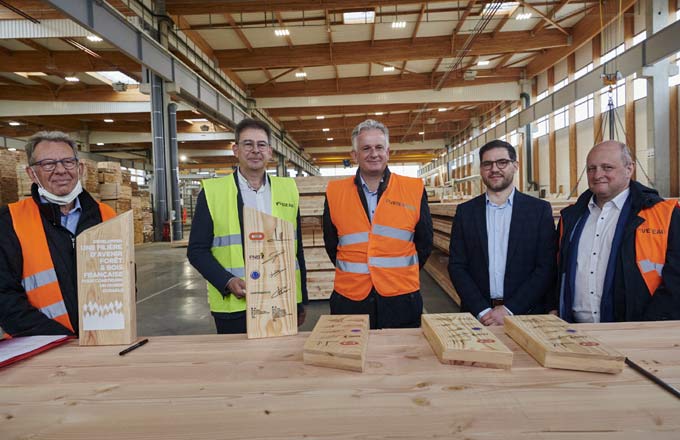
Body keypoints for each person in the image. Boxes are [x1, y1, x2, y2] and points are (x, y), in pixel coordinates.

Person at [187, 118, 308, 333]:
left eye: (261, 144)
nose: (255, 150)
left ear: (270, 151)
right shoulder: (213, 192)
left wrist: (302, 299)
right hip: (235, 303)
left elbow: (297, 249)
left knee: (280, 362)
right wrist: (227, 281)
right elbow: (197, 250)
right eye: (248, 144)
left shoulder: (288, 190)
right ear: (236, 150)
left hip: (281, 298)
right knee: (237, 364)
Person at [0, 131, 116, 337]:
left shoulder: (107, 216)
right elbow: (4, 297)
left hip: (102, 339)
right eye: (48, 164)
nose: (60, 170)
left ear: (79, 168)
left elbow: (122, 280)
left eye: (67, 162)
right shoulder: (9, 221)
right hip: (39, 345)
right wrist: (61, 339)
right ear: (31, 173)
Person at [323, 119, 432, 329]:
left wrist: (398, 273)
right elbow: (331, 243)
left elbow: (425, 242)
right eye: (366, 148)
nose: (374, 154)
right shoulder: (335, 192)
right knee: (352, 356)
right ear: (354, 155)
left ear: (388, 152)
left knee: (400, 357)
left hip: (401, 297)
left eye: (379, 147)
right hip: (351, 298)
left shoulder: (413, 189)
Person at [554, 140, 680, 322]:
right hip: (575, 331)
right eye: (591, 168)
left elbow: (676, 281)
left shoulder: (664, 215)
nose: (598, 175)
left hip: (636, 333)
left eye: (607, 167)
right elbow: (559, 272)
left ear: (629, 169)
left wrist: (649, 326)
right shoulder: (571, 218)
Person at [448, 140, 556, 325]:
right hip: (478, 315)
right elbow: (457, 266)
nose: (494, 169)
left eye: (502, 162)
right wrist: (482, 310)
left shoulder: (538, 211)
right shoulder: (466, 212)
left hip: (526, 312)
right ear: (481, 169)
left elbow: (545, 267)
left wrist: (510, 309)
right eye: (487, 164)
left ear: (515, 166)